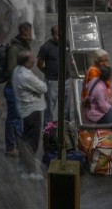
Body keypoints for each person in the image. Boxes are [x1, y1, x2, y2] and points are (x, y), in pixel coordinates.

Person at [12, 50, 47, 180]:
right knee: (32, 141)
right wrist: (38, 84)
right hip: (32, 110)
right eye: (32, 58)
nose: (34, 59)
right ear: (26, 61)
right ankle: (30, 171)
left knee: (26, 138)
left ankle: (22, 163)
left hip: (25, 110)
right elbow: (43, 88)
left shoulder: (17, 71)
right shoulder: (26, 76)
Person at [4, 22, 33, 158]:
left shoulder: (24, 45)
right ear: (23, 33)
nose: (30, 36)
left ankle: (19, 143)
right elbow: (11, 69)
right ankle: (10, 147)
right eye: (28, 34)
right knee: (12, 119)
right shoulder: (15, 49)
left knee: (19, 117)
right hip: (13, 89)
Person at [37, 25, 70, 121]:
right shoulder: (45, 47)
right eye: (57, 35)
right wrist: (48, 73)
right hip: (52, 82)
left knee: (67, 106)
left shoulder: (66, 43)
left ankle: (66, 127)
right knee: (50, 107)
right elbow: (39, 64)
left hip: (66, 79)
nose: (61, 37)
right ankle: (48, 130)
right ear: (52, 35)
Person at [84, 64, 112, 129]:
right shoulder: (100, 88)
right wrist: (111, 107)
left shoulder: (94, 80)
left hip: (90, 110)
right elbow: (103, 107)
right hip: (96, 116)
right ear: (107, 77)